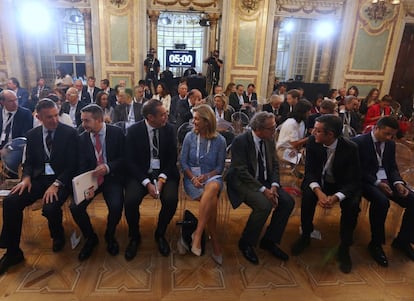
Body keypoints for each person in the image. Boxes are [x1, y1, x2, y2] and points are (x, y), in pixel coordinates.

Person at [0, 99, 79, 275]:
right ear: (39, 117)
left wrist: (57, 184)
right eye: (49, 117)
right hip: (38, 179)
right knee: (11, 202)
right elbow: (28, 162)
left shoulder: (69, 133)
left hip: (61, 180)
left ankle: (57, 235)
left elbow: (73, 165)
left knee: (51, 206)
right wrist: (26, 178)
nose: (55, 120)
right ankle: (13, 252)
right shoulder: (33, 134)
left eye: (56, 115)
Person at [291, 114, 361, 274]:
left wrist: (337, 197)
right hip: (320, 183)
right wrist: (319, 192)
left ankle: (344, 247)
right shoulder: (313, 143)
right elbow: (309, 173)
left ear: (330, 134)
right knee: (308, 196)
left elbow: (354, 180)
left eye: (317, 130)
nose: (312, 133)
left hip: (342, 186)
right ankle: (306, 235)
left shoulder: (350, 148)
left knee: (353, 205)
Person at [226, 112, 295, 265]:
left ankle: (269, 241)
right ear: (258, 128)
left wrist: (275, 186)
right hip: (243, 182)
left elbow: (275, 165)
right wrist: (264, 190)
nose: (274, 130)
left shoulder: (269, 139)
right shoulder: (241, 141)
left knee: (287, 202)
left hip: (265, 182)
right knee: (264, 205)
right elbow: (241, 171)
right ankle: (246, 242)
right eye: (271, 128)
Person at [353, 116, 414, 266]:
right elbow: (357, 170)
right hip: (367, 181)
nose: (389, 137)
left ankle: (403, 241)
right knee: (381, 202)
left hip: (387, 179)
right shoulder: (359, 142)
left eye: (392, 135)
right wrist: (377, 183)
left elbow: (392, 167)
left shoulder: (390, 144)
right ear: (376, 128)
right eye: (386, 134)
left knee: (413, 199)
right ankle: (376, 243)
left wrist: (398, 182)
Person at [124, 99, 179, 259]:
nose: (166, 117)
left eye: (166, 114)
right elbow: (129, 161)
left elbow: (172, 158)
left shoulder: (169, 129)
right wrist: (146, 182)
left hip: (164, 173)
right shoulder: (133, 131)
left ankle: (160, 233)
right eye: (162, 115)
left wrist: (161, 179)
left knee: (171, 199)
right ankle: (134, 237)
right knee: (130, 201)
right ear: (150, 117)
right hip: (140, 174)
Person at [70, 104, 125, 260]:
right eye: (82, 120)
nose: (83, 124)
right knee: (75, 207)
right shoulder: (82, 137)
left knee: (115, 206)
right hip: (91, 178)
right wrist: (86, 186)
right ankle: (90, 237)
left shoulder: (117, 133)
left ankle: (110, 234)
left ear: (99, 119)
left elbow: (125, 158)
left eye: (87, 121)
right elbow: (81, 164)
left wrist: (108, 167)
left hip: (112, 177)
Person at [180, 105, 227, 264]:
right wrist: (193, 177)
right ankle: (214, 243)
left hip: (212, 177)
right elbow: (183, 163)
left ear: (207, 121)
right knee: (211, 200)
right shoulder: (189, 137)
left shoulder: (220, 140)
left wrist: (207, 176)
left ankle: (198, 234)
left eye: (197, 119)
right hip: (192, 179)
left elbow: (220, 168)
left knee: (212, 187)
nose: (193, 121)